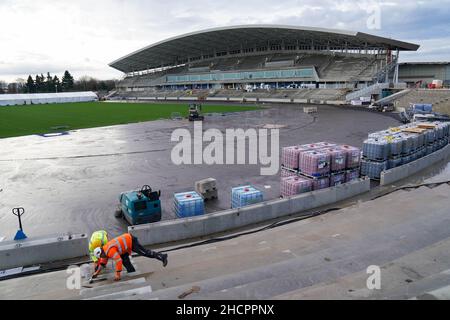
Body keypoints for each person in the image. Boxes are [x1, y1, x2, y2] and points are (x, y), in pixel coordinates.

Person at [92, 233, 168, 281]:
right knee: (125, 261)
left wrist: (117, 274)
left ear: (101, 253)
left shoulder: (109, 250)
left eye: (101, 256)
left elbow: (118, 261)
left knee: (144, 253)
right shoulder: (104, 251)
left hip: (131, 241)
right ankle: (132, 272)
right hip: (124, 248)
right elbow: (102, 263)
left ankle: (162, 256)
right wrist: (96, 273)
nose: (102, 257)